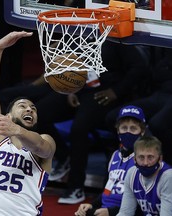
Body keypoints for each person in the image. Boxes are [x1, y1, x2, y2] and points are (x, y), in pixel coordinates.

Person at [35, 41, 151, 204]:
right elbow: (74, 66)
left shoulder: (116, 39)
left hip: (105, 94)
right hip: (80, 90)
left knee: (79, 128)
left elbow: (139, 68)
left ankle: (76, 187)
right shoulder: (80, 35)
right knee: (37, 114)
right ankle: (63, 155)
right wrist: (72, 88)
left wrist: (116, 91)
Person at [0, 31, 56, 215]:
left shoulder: (45, 140)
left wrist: (17, 130)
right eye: (22, 106)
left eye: (33, 108)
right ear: (8, 116)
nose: (29, 109)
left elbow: (42, 147)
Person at [106, 48, 172, 171]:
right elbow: (158, 73)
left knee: (158, 124)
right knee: (115, 116)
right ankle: (133, 159)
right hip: (160, 94)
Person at [74, 105, 146, 216]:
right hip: (105, 211)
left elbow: (145, 204)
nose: (128, 132)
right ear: (118, 130)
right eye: (124, 128)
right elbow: (107, 191)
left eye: (133, 128)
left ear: (142, 132)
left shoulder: (146, 160)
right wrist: (92, 205)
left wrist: (111, 212)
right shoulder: (114, 156)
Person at [116, 135, 172, 216]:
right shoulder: (132, 174)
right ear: (134, 159)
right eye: (141, 157)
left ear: (160, 158)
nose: (145, 163)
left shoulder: (170, 177)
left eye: (150, 157)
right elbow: (125, 213)